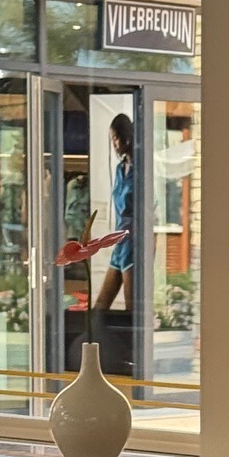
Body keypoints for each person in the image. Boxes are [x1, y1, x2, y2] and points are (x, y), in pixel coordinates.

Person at [94, 112, 135, 313]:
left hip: (134, 242)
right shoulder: (120, 169)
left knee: (132, 308)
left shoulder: (140, 169)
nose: (115, 143)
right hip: (120, 241)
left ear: (127, 136)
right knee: (100, 306)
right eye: (112, 139)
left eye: (117, 138)